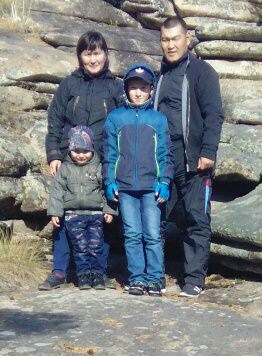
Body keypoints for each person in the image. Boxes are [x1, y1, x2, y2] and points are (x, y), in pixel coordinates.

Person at [39, 30, 124, 291]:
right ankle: (59, 271)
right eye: (87, 54)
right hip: (70, 160)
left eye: (97, 53)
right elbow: (55, 121)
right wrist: (54, 154)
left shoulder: (115, 87)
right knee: (64, 214)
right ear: (80, 56)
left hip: (103, 162)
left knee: (102, 217)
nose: (93, 59)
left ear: (106, 54)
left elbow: (124, 125)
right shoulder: (69, 85)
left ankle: (99, 272)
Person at [153, 17, 223, 298]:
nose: (170, 45)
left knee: (196, 219)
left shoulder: (202, 73)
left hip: (194, 161)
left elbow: (214, 114)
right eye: (165, 40)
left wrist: (208, 151)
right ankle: (154, 276)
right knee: (157, 218)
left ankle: (194, 279)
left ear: (187, 39)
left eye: (175, 39)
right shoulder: (158, 75)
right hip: (163, 161)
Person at [102, 64, 172, 297]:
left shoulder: (158, 120)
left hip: (151, 188)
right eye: (133, 87)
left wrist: (165, 181)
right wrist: (109, 181)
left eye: (143, 88)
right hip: (125, 189)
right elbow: (109, 152)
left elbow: (165, 154)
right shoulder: (115, 118)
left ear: (151, 90)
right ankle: (137, 278)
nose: (138, 92)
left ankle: (155, 278)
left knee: (152, 234)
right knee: (132, 234)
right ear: (126, 89)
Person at [47, 126, 114, 290]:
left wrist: (109, 210)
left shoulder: (99, 167)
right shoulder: (65, 168)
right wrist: (55, 212)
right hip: (73, 215)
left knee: (96, 246)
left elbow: (106, 190)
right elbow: (57, 192)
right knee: (81, 247)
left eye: (85, 151)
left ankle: (98, 275)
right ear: (70, 149)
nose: (81, 155)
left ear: (92, 149)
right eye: (76, 151)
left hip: (95, 215)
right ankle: (83, 276)